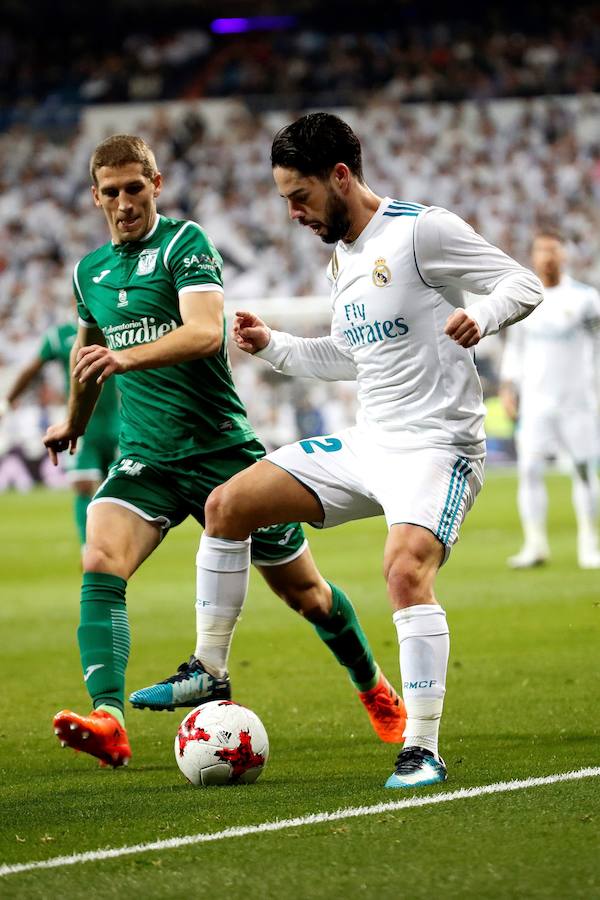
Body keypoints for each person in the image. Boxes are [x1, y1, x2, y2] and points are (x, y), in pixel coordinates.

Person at [196, 112, 543, 788]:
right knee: (228, 504)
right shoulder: (341, 259)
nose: (292, 211)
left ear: (342, 176)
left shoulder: (422, 231)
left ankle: (421, 746)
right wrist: (275, 346)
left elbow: (522, 284)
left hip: (437, 447)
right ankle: (208, 667)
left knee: (403, 570)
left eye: (299, 195)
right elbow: (348, 357)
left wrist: (485, 316)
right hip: (368, 443)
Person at [44, 133, 406, 768]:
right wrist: (72, 421)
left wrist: (124, 356)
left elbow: (207, 332)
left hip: (221, 454)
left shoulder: (186, 245)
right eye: (112, 192)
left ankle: (373, 686)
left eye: (136, 188)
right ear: (95, 197)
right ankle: (108, 717)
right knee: (99, 556)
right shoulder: (89, 272)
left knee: (308, 595)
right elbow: (87, 355)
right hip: (146, 458)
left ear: (155, 186)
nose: (125, 203)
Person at [500, 229, 600, 569]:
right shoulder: (525, 298)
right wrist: (508, 385)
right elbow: (515, 347)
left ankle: (589, 544)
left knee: (586, 471)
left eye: (554, 250)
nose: (548, 257)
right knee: (529, 469)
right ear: (533, 256)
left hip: (578, 401)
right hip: (537, 401)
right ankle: (535, 545)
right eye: (542, 250)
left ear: (564, 255)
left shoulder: (586, 299)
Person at [2, 321, 119, 546]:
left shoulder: (114, 324)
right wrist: (6, 403)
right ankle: (89, 548)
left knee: (113, 488)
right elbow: (32, 369)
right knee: (84, 484)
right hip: (82, 424)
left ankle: (112, 546)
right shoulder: (59, 336)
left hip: (116, 423)